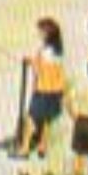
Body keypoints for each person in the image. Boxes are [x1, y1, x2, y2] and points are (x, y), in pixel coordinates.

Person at [17, 18, 67, 160]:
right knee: (47, 121)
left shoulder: (46, 51)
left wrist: (32, 62)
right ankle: (42, 147)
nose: (38, 34)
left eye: (40, 31)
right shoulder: (58, 51)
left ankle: (25, 148)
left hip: (44, 89)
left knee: (31, 118)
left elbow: (40, 69)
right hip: (56, 90)